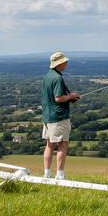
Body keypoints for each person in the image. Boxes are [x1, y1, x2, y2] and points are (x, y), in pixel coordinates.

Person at [41, 51, 79, 179]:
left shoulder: (47, 76)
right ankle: (60, 175)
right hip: (58, 117)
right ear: (60, 63)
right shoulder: (57, 78)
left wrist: (69, 97)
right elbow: (58, 98)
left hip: (47, 116)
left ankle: (46, 173)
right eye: (64, 62)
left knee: (49, 145)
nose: (66, 63)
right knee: (63, 144)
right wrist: (71, 96)